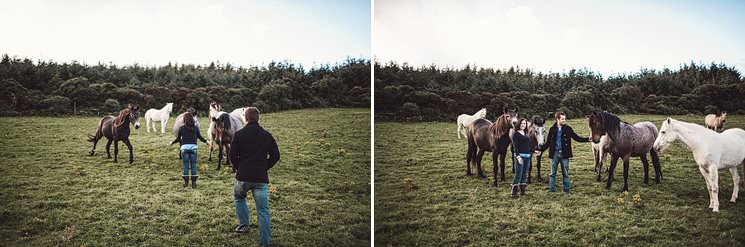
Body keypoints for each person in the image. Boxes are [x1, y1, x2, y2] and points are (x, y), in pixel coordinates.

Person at [229, 107, 280, 247]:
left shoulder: (239, 134)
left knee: (239, 197)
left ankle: (244, 225)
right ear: (259, 118)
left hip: (243, 176)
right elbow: (276, 156)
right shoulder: (267, 135)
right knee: (263, 209)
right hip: (260, 177)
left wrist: (240, 167)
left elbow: (232, 156)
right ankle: (264, 243)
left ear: (245, 118)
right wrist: (265, 167)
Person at [535, 112, 590, 194]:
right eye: (562, 119)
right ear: (557, 119)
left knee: (565, 173)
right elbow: (547, 143)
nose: (564, 120)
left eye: (565, 119)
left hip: (565, 154)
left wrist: (587, 139)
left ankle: (567, 190)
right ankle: (552, 190)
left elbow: (576, 138)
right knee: (552, 173)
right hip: (554, 154)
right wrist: (540, 150)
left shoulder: (568, 129)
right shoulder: (552, 129)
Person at [170, 111, 208, 188]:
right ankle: (194, 183)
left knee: (186, 166)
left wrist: (172, 142)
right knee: (193, 166)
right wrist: (206, 142)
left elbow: (178, 139)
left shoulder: (181, 128)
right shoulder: (196, 128)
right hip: (194, 149)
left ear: (184, 120)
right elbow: (200, 137)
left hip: (184, 149)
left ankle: (186, 183)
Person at [511, 118, 532, 198]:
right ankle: (514, 192)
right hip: (520, 157)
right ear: (519, 124)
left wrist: (534, 151)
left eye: (525, 123)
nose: (523, 125)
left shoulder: (525, 133)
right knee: (518, 174)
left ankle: (523, 192)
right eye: (522, 123)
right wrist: (518, 156)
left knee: (525, 174)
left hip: (528, 157)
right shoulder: (516, 134)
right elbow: (515, 147)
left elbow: (527, 146)